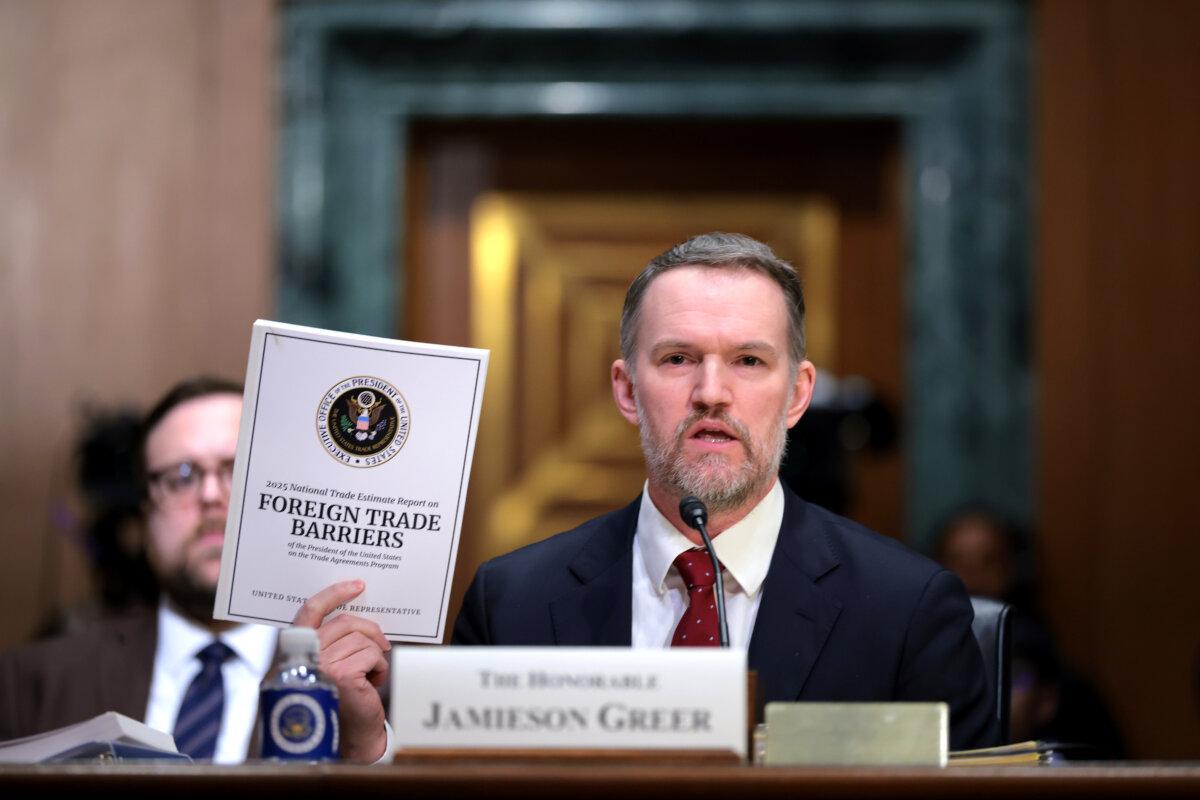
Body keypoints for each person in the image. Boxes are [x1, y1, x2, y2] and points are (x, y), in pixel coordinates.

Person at [308, 231, 998, 758]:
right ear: (626, 389)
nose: (711, 392)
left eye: (749, 361)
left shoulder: (906, 608)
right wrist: (371, 744)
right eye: (677, 359)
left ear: (798, 394)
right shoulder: (513, 600)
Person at [0, 378, 278, 762]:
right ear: (145, 516)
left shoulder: (363, 689)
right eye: (181, 477)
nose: (212, 496)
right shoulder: (29, 685)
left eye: (238, 470)